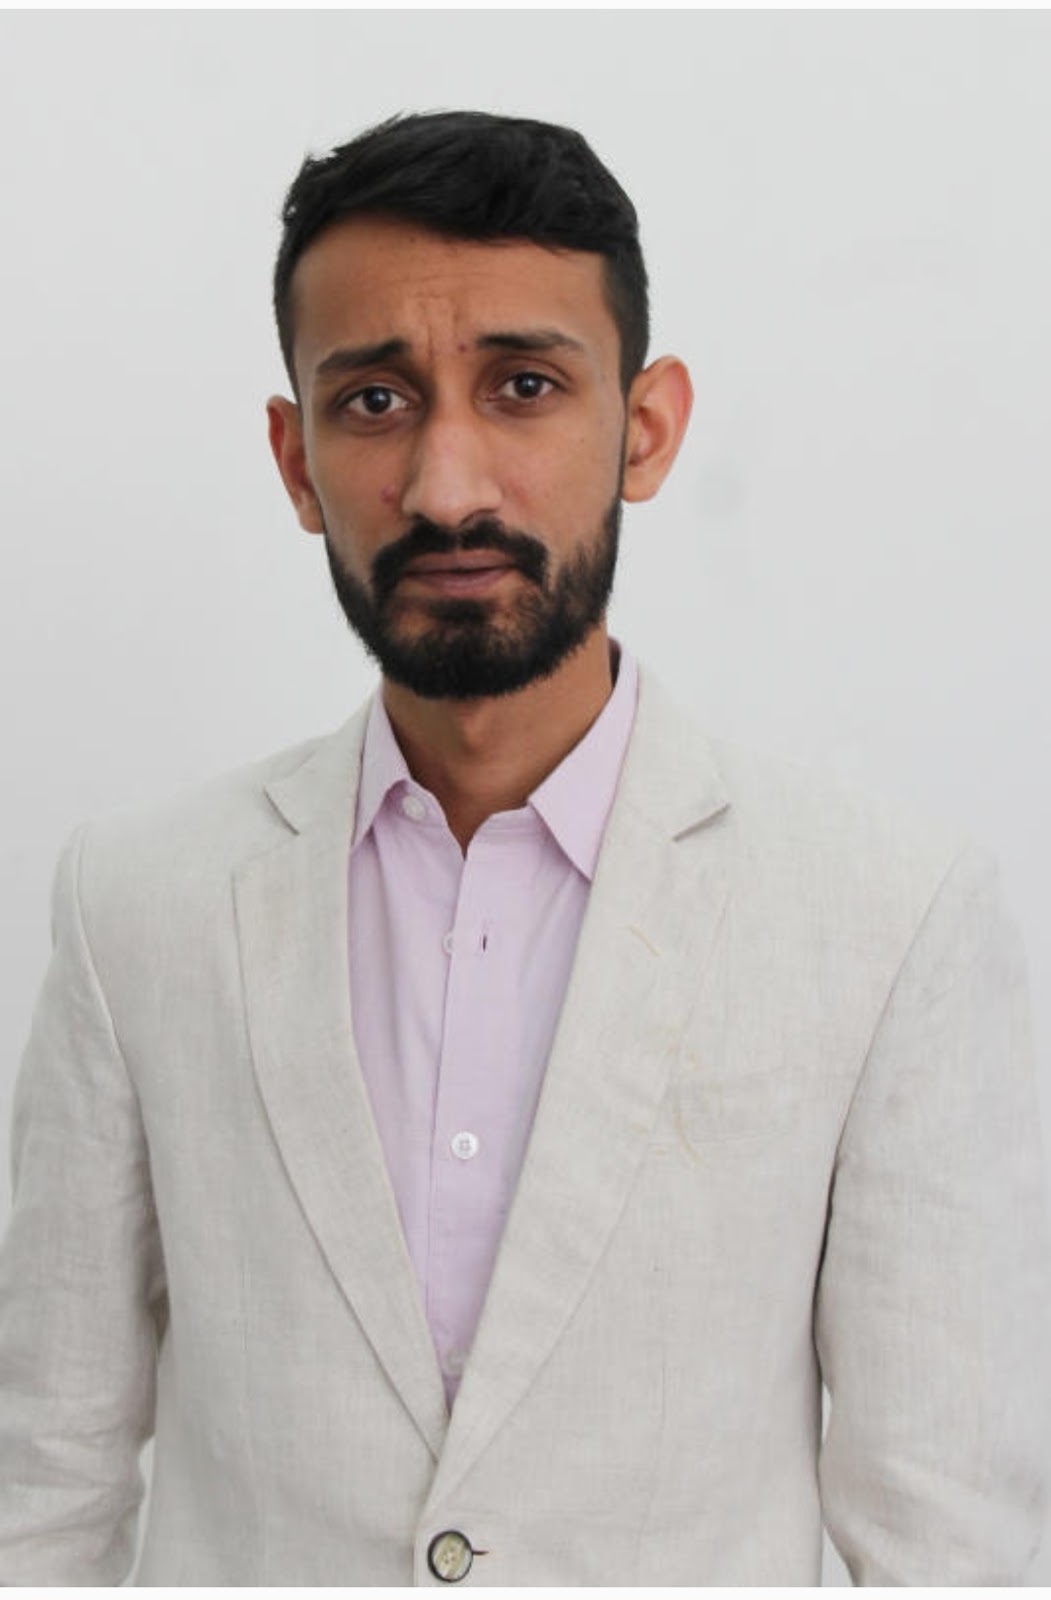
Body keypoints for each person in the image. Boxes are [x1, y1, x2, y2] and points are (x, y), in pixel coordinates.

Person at [1, 110, 1048, 1587]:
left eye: (525, 386)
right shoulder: (135, 905)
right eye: (375, 400)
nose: (448, 488)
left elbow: (953, 1544)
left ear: (646, 428)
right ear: (296, 460)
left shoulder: (887, 915)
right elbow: (40, 1489)